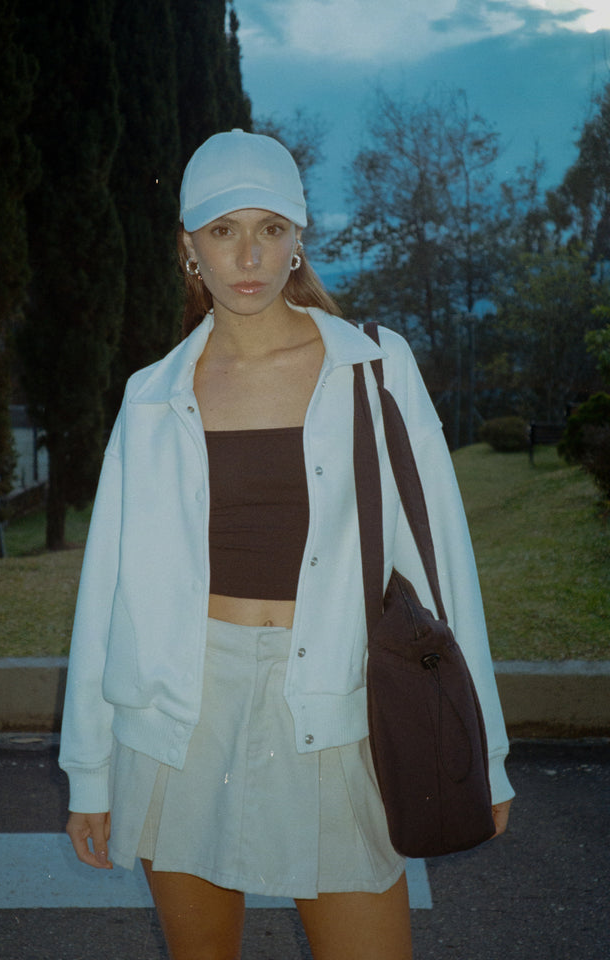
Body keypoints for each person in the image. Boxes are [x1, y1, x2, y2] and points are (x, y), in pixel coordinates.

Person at [59, 129, 513, 960]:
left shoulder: (374, 367)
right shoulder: (152, 397)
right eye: (224, 230)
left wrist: (486, 753)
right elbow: (109, 591)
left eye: (271, 228)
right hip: (180, 714)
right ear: (188, 246)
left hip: (332, 699)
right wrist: (89, 773)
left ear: (300, 237)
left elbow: (442, 563)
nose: (249, 256)